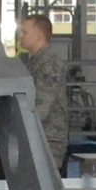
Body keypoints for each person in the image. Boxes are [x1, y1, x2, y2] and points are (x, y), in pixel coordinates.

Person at [15, 11, 71, 175]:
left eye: (25, 32)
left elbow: (42, 106)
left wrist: (23, 126)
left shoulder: (49, 64)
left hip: (48, 141)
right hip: (37, 138)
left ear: (40, 35)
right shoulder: (35, 61)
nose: (20, 36)